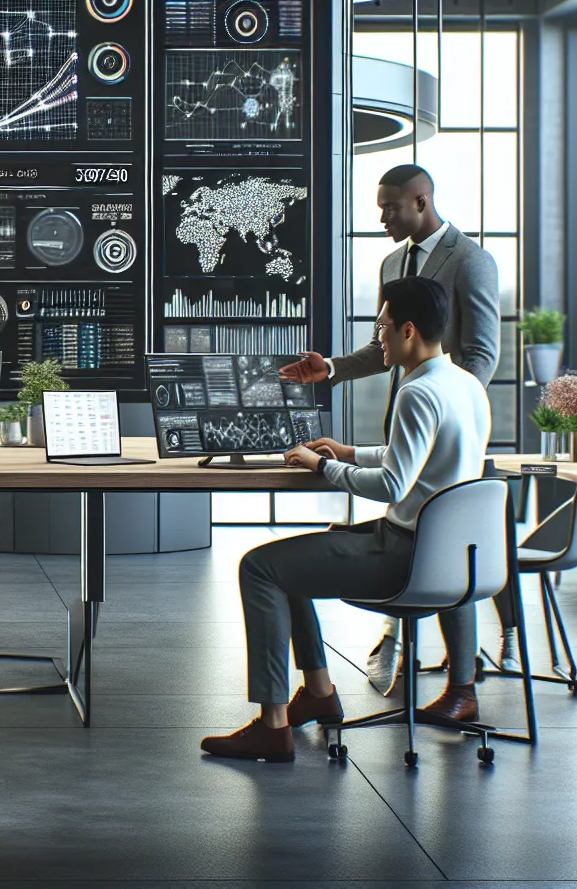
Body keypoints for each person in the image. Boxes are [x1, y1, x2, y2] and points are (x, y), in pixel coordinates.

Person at [201, 277, 491, 762]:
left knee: (259, 566)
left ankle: (273, 728)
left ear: (409, 331)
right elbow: (419, 456)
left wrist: (324, 465)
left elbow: (393, 485)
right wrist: (351, 451)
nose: (378, 336)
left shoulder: (417, 392)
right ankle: (317, 691)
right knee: (288, 565)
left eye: (383, 326)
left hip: (404, 557)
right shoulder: (465, 385)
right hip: (449, 558)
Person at [278, 163, 501, 694]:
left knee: (447, 548)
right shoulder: (393, 262)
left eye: (390, 207)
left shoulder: (471, 261)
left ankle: (462, 683)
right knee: (411, 539)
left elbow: (483, 353)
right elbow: (389, 347)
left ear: (421, 201)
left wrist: (443, 404)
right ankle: (406, 653)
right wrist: (330, 368)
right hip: (409, 425)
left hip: (450, 430)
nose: (381, 217)